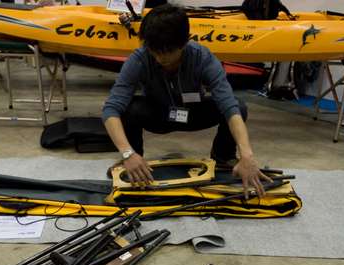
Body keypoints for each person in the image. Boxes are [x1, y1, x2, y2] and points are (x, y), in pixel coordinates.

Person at [102, 4, 271, 197]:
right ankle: (134, 159)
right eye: (155, 51)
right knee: (127, 108)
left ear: (185, 42)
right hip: (158, 113)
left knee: (238, 106)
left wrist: (247, 155)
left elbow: (229, 107)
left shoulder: (203, 58)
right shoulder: (139, 59)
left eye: (167, 52)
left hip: (192, 114)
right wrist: (127, 153)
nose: (160, 58)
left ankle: (224, 158)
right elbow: (110, 111)